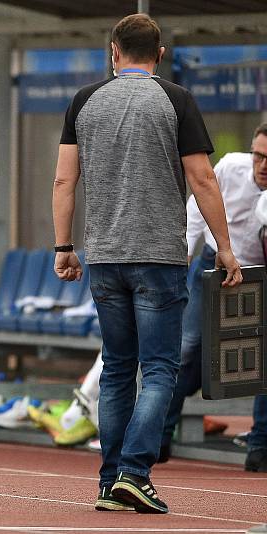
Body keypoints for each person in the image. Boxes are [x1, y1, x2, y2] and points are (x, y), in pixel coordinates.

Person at [52, 13, 242, 514]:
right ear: (160, 54)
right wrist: (223, 244)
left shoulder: (84, 101)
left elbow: (64, 182)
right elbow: (202, 178)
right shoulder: (176, 99)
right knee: (158, 369)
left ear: (113, 51)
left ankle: (109, 481)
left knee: (116, 369)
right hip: (158, 256)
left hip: (105, 258)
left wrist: (62, 248)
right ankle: (135, 474)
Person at [160, 123, 267, 473]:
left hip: (258, 272)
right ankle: (157, 438)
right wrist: (182, 261)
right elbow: (195, 210)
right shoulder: (231, 169)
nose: (262, 165)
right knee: (189, 347)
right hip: (214, 262)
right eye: (259, 156)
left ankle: (260, 446)